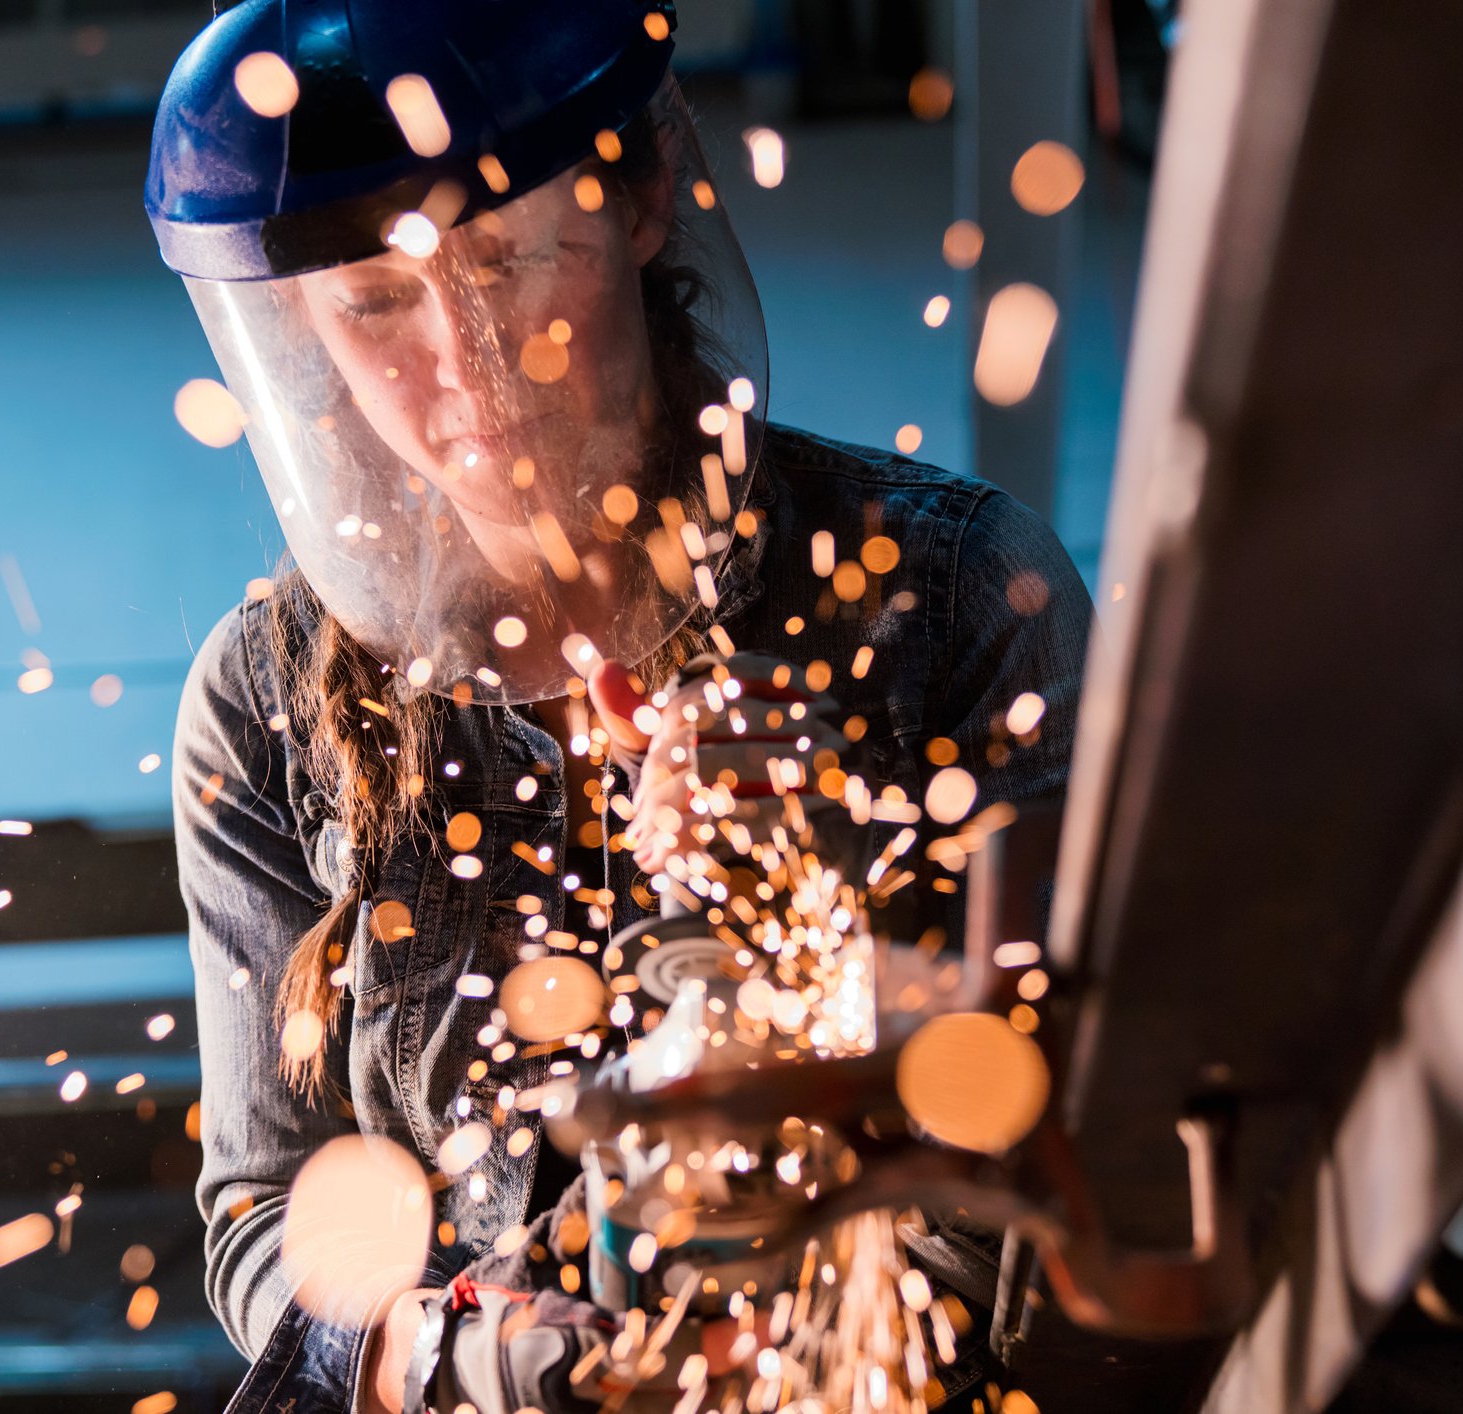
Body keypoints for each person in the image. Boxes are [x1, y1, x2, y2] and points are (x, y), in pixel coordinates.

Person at [148, 2, 1092, 1410]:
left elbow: (1098, 1122)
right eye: (378, 305)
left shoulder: (950, 597)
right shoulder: (265, 706)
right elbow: (269, 1212)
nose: (465, 361)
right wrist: (424, 1349)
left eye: (510, 255)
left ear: (645, 196)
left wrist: (835, 932)